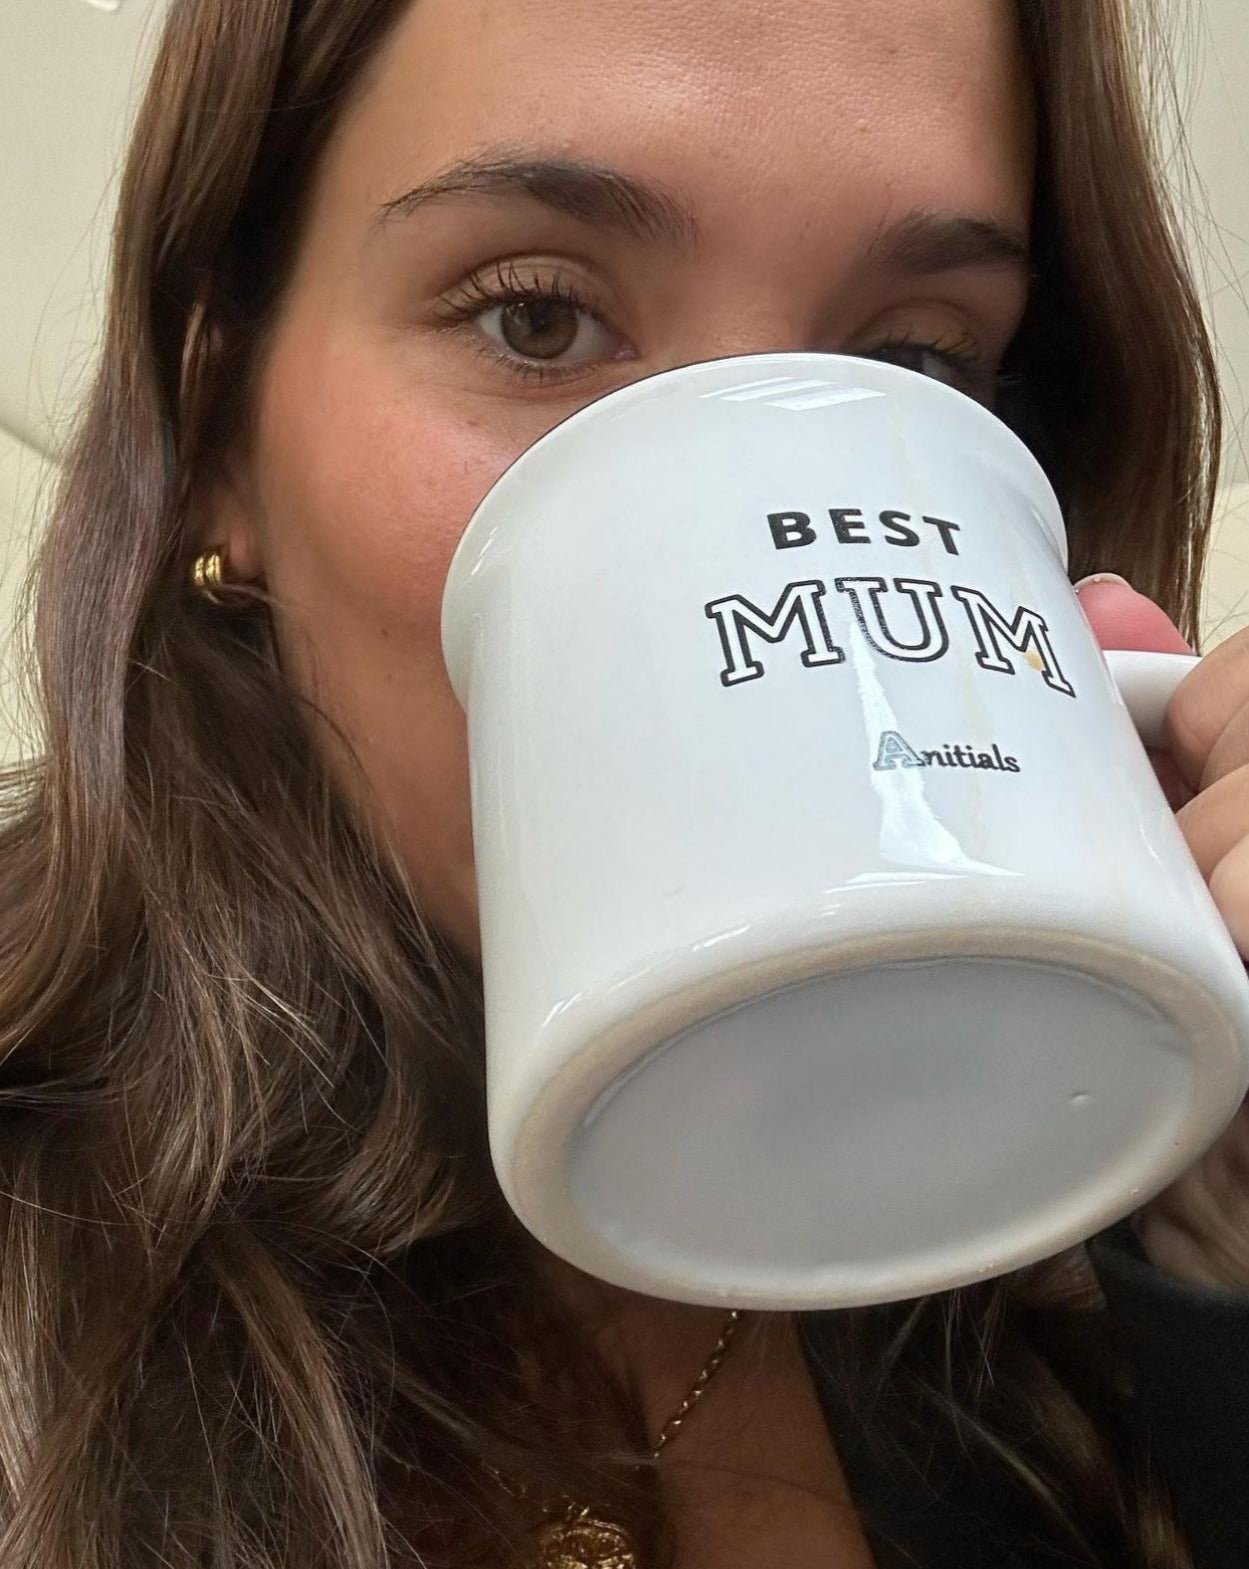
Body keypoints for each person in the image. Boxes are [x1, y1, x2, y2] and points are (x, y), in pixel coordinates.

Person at [1, 0, 1246, 1565]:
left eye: (914, 357)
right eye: (535, 317)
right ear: (217, 434)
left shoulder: (1088, 1240)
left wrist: (1209, 1234)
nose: (748, 534)